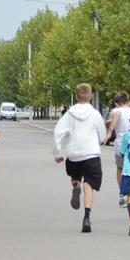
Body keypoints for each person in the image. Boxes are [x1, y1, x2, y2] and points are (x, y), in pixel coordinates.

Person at [53, 84, 108, 233]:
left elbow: (58, 132)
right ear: (90, 96)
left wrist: (57, 153)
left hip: (74, 154)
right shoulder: (95, 114)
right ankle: (87, 217)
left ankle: (75, 184)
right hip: (91, 154)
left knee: (74, 175)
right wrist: (100, 140)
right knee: (89, 185)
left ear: (77, 96)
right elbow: (102, 135)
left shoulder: (69, 114)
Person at [105, 92, 130, 208]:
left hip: (121, 143)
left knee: (120, 169)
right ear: (128, 101)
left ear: (116, 103)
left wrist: (110, 131)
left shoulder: (116, 111)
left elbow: (117, 115)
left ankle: (123, 194)